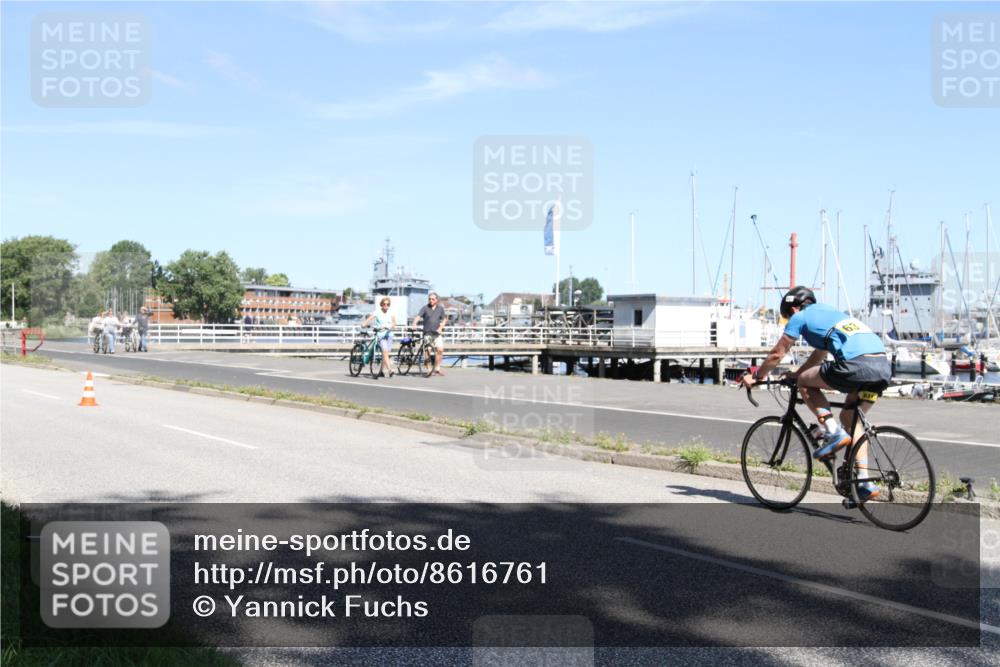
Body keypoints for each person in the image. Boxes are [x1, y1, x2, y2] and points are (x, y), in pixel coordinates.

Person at [741, 286, 890, 502]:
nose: (790, 320)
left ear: (793, 308)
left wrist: (757, 376)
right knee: (851, 419)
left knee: (805, 384)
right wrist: (798, 372)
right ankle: (864, 482)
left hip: (856, 365)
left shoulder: (799, 316)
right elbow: (820, 354)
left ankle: (832, 431)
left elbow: (777, 354)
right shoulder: (830, 313)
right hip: (882, 368)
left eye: (787, 316)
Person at [413, 292, 447, 376]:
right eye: (429, 299)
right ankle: (428, 369)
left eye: (433, 299)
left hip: (437, 333)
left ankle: (437, 368)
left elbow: (445, 319)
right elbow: (418, 317)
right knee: (427, 351)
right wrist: (414, 323)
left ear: (437, 300)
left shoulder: (440, 308)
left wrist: (441, 327)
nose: (431, 300)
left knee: (440, 350)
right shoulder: (425, 308)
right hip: (427, 333)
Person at [363, 297, 396, 378]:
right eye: (384, 304)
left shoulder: (391, 312)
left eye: (388, 304)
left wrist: (390, 326)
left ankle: (381, 371)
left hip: (389, 334)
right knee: (385, 352)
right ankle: (390, 370)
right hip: (380, 334)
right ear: (381, 304)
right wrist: (364, 323)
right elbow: (370, 318)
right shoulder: (377, 312)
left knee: (386, 354)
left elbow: (394, 323)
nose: (386, 306)